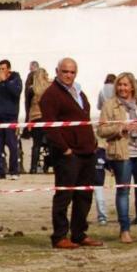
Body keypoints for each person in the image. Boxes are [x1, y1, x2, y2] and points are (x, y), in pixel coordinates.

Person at [39, 57, 102, 250]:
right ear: (57, 71)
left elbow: (83, 117)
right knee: (64, 196)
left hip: (87, 151)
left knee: (84, 195)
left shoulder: (78, 91)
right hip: (68, 154)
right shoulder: (51, 95)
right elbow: (50, 126)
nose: (68, 75)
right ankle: (59, 237)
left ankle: (79, 233)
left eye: (72, 72)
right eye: (65, 71)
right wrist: (65, 149)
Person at [97, 72, 137, 243]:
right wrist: (121, 128)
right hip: (122, 154)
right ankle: (124, 229)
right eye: (120, 84)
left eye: (126, 84)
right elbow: (101, 130)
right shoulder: (109, 105)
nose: (122, 88)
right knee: (123, 191)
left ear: (132, 86)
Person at [0, 59, 22, 179]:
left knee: (13, 145)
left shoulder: (16, 79)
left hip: (10, 117)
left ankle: (14, 171)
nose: (1, 71)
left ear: (8, 69)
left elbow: (16, 92)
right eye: (0, 69)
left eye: (3, 69)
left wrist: (6, 81)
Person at [26, 66, 52, 173]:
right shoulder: (50, 88)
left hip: (35, 118)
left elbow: (28, 106)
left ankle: (33, 167)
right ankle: (48, 164)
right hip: (48, 119)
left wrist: (28, 121)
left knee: (36, 144)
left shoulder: (31, 90)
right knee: (50, 144)